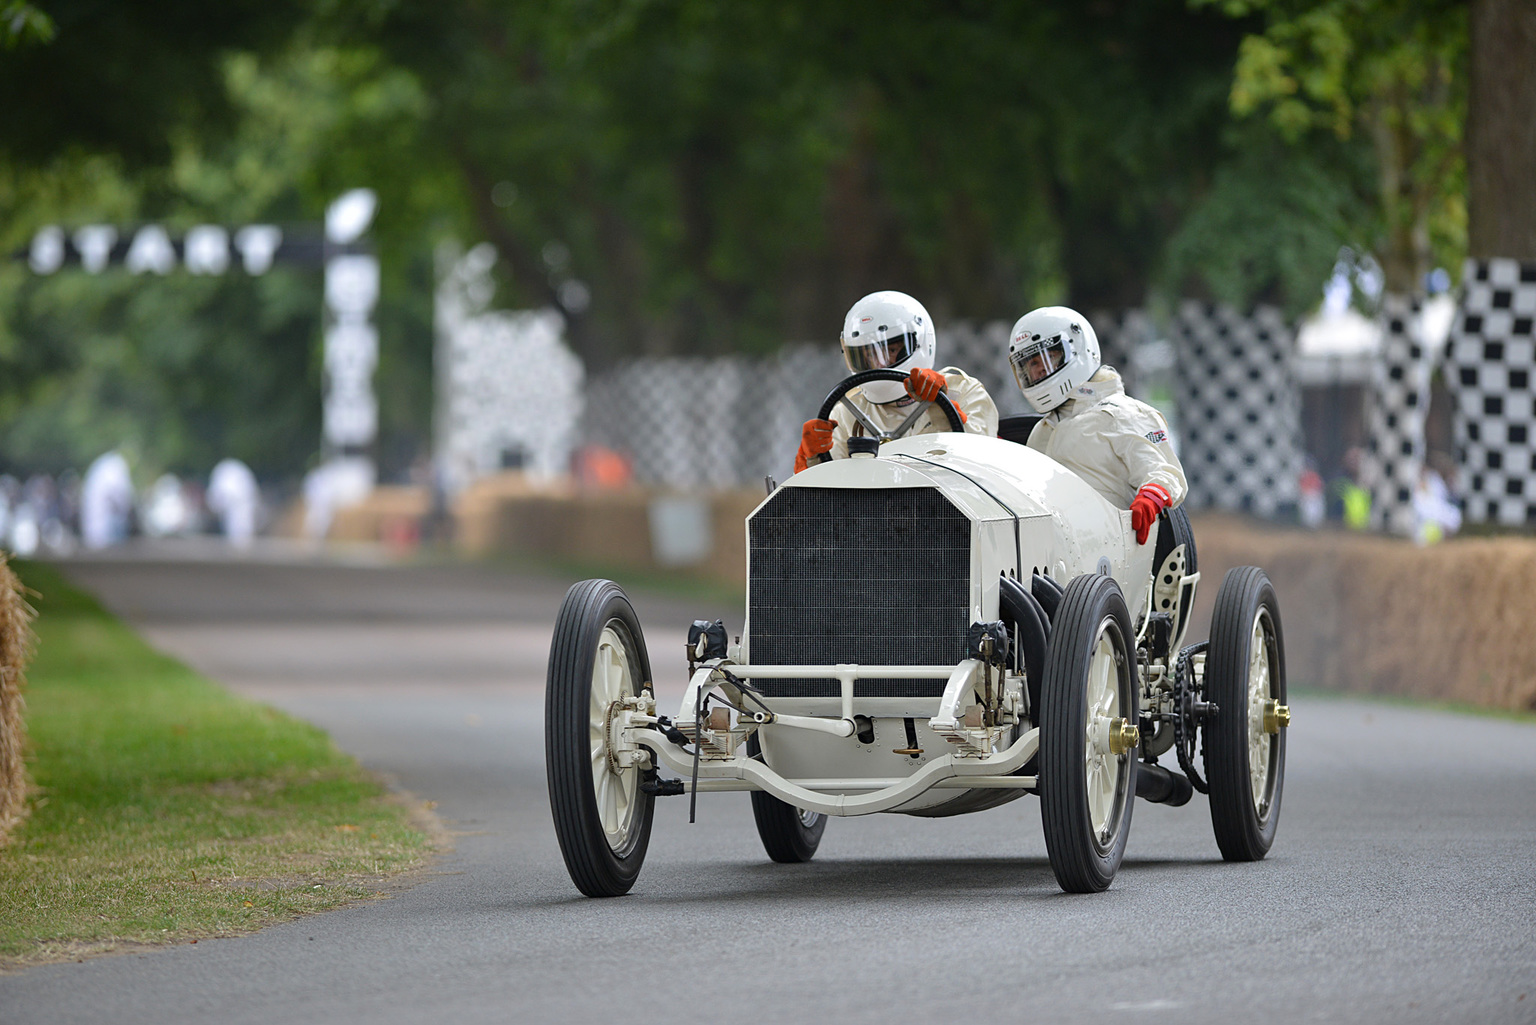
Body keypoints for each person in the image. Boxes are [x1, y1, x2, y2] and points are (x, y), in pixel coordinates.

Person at [1008, 306, 1186, 545]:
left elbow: (1164, 471)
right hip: (1047, 548)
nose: (1040, 368)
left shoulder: (1124, 413)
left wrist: (1150, 496)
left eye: (1050, 356)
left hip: (1107, 551)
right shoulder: (1041, 431)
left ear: (1078, 350)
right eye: (1031, 363)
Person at [795, 291, 998, 472]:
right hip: (871, 511)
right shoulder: (847, 412)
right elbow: (827, 488)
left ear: (920, 342)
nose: (877, 364)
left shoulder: (964, 392)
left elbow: (978, 466)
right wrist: (813, 457)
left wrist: (941, 407)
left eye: (890, 350)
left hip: (946, 508)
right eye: (867, 356)